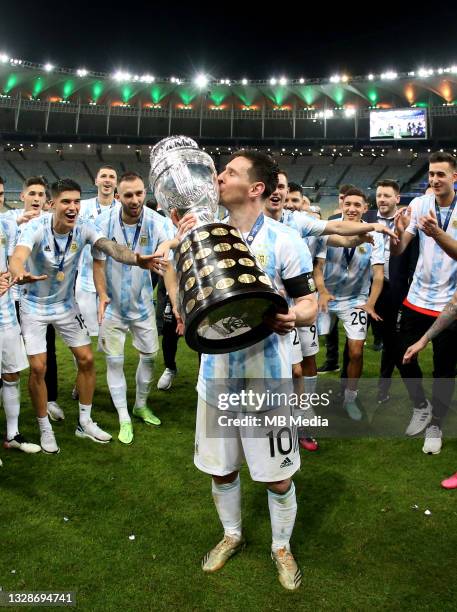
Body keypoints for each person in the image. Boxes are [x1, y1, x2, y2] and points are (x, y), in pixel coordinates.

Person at [196, 150, 317, 591]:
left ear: (256, 188)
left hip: (266, 377)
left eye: (229, 172)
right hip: (215, 376)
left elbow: (309, 300)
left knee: (278, 475)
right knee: (221, 469)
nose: (220, 176)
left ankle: (281, 546)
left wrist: (295, 317)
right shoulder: (207, 235)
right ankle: (231, 535)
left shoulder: (286, 240)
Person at [7, 178, 164, 454]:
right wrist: (18, 271)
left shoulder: (84, 229)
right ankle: (45, 428)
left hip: (66, 305)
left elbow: (111, 247)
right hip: (34, 305)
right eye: (66, 201)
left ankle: (84, 422)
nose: (73, 207)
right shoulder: (35, 228)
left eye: (77, 201)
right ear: (51, 204)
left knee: (87, 359)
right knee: (38, 368)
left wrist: (138, 259)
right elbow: (19, 255)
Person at [93, 172, 176, 444]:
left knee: (150, 357)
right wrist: (102, 294)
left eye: (139, 193)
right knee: (114, 361)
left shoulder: (155, 221)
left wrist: (175, 303)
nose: (135, 199)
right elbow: (99, 262)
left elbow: (169, 258)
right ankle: (123, 416)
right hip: (113, 308)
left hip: (142, 306)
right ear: (118, 197)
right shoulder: (103, 222)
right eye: (128, 195)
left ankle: (140, 405)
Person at [392, 151, 457, 455]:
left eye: (441, 174)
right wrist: (395, 233)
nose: (434, 179)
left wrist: (438, 233)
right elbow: (402, 247)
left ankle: (436, 424)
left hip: (449, 304)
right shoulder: (419, 204)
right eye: (431, 174)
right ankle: (420, 405)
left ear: (454, 177)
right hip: (416, 297)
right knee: (402, 355)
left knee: (444, 370)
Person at [314, 188, 385, 420]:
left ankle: (350, 399)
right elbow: (318, 267)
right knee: (309, 351)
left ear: (365, 208)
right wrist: (322, 292)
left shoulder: (376, 235)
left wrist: (371, 304)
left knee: (355, 351)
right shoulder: (328, 228)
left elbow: (378, 274)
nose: (352, 209)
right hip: (326, 296)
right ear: (342, 204)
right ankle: (307, 399)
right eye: (348, 204)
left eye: (358, 205)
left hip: (355, 299)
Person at [1, 176, 63, 421]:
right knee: (8, 353)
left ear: (46, 201)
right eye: (32, 193)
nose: (36, 198)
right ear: (23, 196)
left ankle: (50, 400)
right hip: (9, 298)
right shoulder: (9, 219)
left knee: (45, 351)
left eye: (41, 195)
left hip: (39, 298)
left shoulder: (51, 224)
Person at [364, 181, 418, 404]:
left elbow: (412, 258)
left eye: (387, 195)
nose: (382, 199)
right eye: (379, 195)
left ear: (397, 198)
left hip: (394, 289)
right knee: (355, 340)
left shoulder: (408, 222)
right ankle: (346, 390)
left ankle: (382, 387)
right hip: (365, 288)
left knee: (391, 340)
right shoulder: (366, 219)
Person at [0, 215, 40, 454]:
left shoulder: (6, 226)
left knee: (11, 373)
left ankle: (12, 434)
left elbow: (12, 264)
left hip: (6, 315)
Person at [75, 165, 118, 338]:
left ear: (116, 183)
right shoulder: (82, 207)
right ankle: (83, 366)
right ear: (96, 181)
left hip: (113, 281)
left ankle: (112, 366)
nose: (107, 180)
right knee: (82, 333)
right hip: (85, 277)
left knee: (111, 333)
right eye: (103, 176)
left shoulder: (123, 210)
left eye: (111, 177)